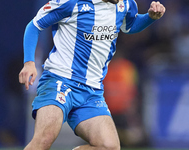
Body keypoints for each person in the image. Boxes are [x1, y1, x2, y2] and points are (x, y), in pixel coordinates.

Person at [19, 0, 165, 149]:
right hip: (60, 80)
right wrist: (29, 62)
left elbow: (130, 25)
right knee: (44, 139)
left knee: (109, 146)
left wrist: (149, 17)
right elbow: (35, 25)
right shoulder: (71, 2)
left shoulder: (126, 4)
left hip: (92, 91)